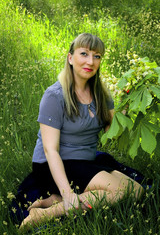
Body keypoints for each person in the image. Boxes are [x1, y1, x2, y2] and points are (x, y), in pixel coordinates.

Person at [19, 33, 144, 231]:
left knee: (136, 190)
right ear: (70, 57)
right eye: (84, 53)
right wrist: (67, 193)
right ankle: (45, 213)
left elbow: (112, 131)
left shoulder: (101, 93)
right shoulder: (54, 96)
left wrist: (131, 101)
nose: (90, 61)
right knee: (121, 191)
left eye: (97, 56)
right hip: (54, 164)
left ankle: (54, 201)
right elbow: (50, 150)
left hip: (84, 161)